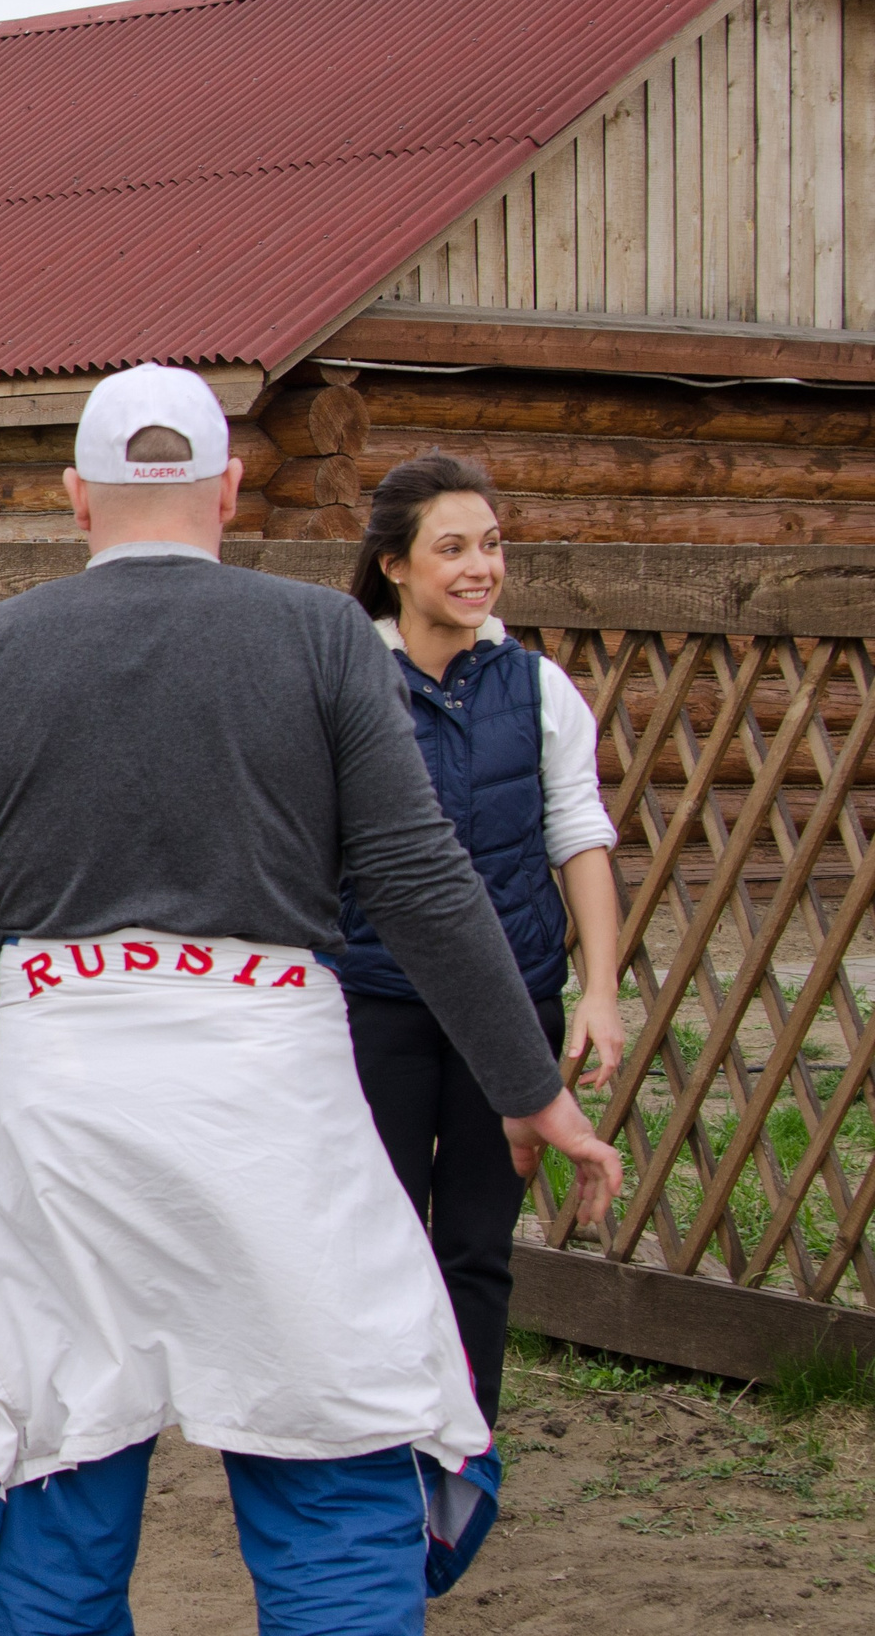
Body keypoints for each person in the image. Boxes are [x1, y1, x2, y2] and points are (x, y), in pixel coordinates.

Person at [0, 365, 623, 1634]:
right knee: (326, 1439)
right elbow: (417, 879)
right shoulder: (321, 636)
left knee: (57, 1448)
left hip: (71, 1100)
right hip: (269, 1086)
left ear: (75, 498)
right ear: (229, 489)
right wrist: (532, 1089)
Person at [337, 452, 625, 1429]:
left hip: (507, 1007)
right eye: (450, 547)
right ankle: (371, 1439)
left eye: (490, 546)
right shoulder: (345, 686)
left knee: (474, 1241)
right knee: (370, 1232)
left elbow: (578, 834)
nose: (478, 567)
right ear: (394, 565)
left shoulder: (538, 689)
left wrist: (596, 988)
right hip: (372, 1000)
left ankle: (462, 1444)